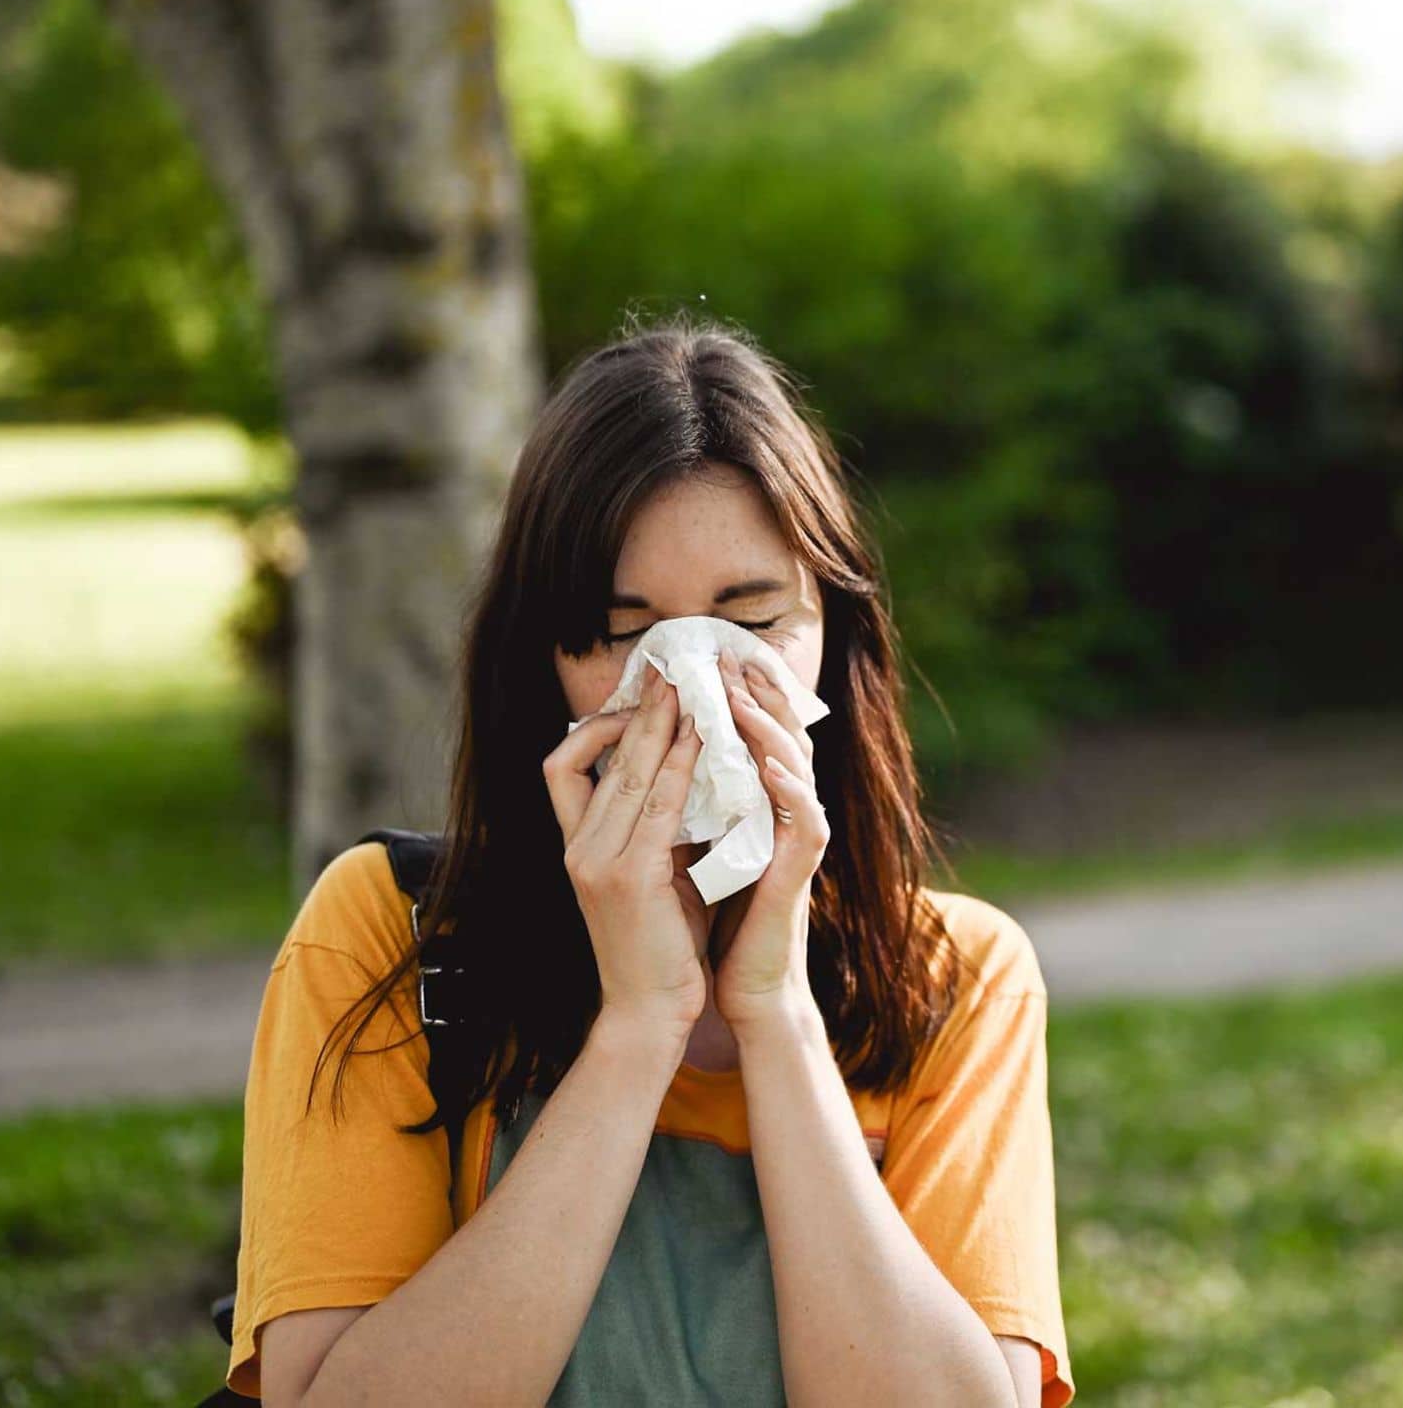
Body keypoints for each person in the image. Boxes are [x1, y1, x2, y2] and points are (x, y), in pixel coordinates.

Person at [225, 314, 1073, 1406]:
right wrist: (639, 1024)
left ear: (833, 636)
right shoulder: (393, 934)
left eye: (750, 618)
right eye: (625, 634)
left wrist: (772, 1012)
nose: (689, 683)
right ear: (547, 667)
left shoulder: (953, 979)